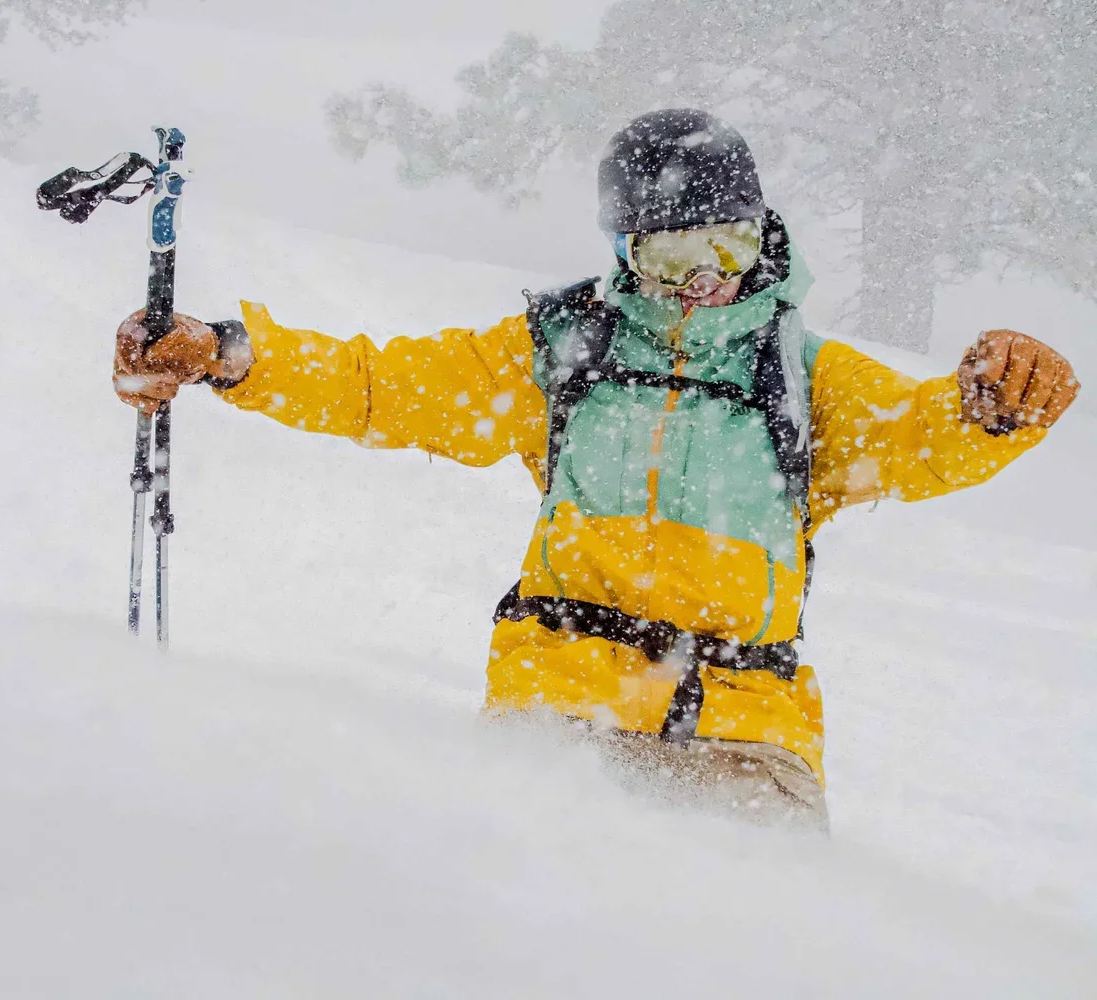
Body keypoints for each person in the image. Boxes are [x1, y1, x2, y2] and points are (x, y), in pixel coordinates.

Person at [109, 109, 1080, 830]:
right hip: (563, 715)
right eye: (674, 255)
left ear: (760, 236)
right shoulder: (563, 348)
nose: (706, 281)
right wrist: (234, 353)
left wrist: (995, 407)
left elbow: (920, 434)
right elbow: (384, 386)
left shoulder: (799, 375)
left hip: (749, 745)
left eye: (728, 248)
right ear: (626, 251)